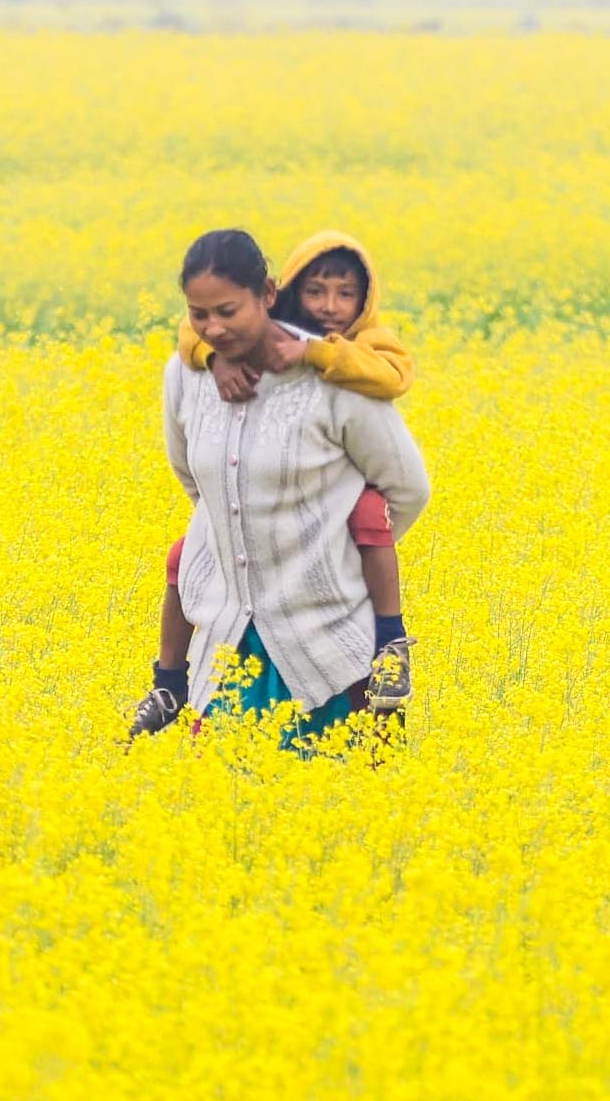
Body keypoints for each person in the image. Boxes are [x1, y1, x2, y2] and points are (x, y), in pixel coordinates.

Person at [131, 229, 430, 746]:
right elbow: (195, 482)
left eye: (228, 311)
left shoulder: (340, 376)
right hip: (227, 642)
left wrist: (336, 547)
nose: (214, 328)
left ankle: (391, 642)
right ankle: (169, 686)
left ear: (267, 294)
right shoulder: (188, 375)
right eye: (200, 316)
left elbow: (408, 490)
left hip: (331, 648)